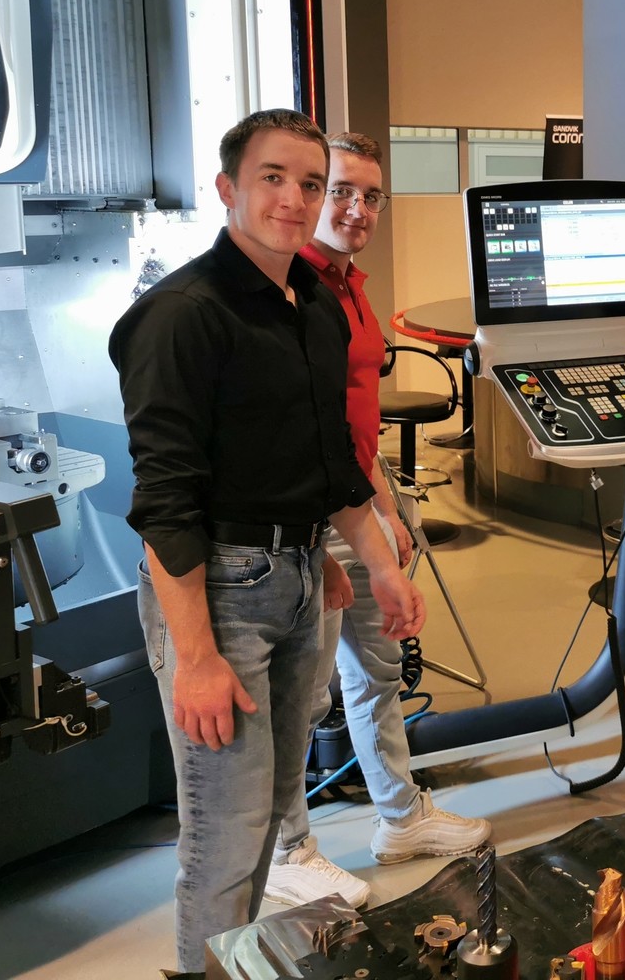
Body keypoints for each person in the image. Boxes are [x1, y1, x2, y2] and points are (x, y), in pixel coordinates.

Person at [109, 109, 425, 976]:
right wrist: (196, 657)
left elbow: (330, 464)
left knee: (271, 813)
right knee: (227, 835)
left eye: (310, 183)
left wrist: (373, 565)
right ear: (228, 188)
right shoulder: (181, 316)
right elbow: (164, 505)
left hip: (298, 579)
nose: (295, 198)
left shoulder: (314, 306)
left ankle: (239, 964)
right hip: (217, 594)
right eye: (273, 178)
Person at [264, 132, 490, 909]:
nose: (357, 209)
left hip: (359, 498)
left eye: (371, 196)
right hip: (311, 515)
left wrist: (388, 514)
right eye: (340, 191)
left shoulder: (350, 284)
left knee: (378, 669)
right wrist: (324, 543)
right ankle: (285, 850)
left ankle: (400, 816)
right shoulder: (290, 289)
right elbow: (295, 431)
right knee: (303, 693)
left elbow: (356, 421)